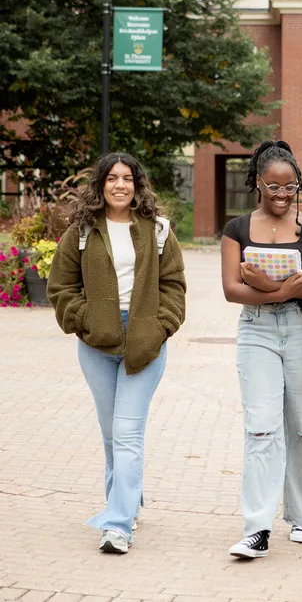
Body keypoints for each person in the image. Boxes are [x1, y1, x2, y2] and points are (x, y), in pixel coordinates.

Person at [47, 152, 186, 554]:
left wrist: (161, 326)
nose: (120, 185)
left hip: (144, 343)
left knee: (127, 433)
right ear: (101, 185)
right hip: (96, 345)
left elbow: (174, 284)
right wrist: (85, 319)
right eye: (112, 178)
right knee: (112, 435)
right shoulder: (82, 230)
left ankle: (118, 525)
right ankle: (126, 500)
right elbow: (60, 285)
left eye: (127, 178)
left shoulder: (157, 230)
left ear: (137, 184)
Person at [221, 140, 302, 559]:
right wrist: (280, 291)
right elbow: (233, 290)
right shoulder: (237, 229)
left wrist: (267, 286)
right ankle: (258, 528)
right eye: (274, 187)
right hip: (256, 332)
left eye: (292, 189)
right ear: (257, 183)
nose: (283, 196)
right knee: (262, 429)